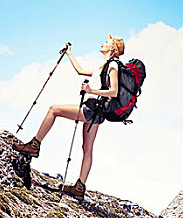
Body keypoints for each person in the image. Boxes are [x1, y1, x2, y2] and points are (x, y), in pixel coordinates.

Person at [12, 35, 125, 200]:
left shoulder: (113, 66)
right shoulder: (104, 66)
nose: (103, 43)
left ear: (113, 48)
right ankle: (80, 187)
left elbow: (114, 92)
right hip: (96, 112)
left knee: (54, 110)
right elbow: (80, 71)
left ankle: (34, 145)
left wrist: (90, 91)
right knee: (87, 149)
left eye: (107, 42)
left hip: (92, 110)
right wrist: (69, 54)